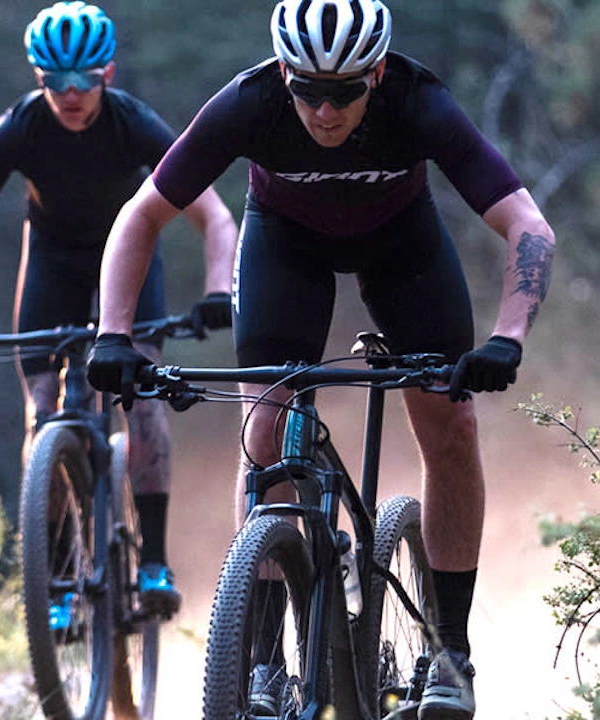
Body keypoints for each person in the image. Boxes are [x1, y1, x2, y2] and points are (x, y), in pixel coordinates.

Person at [86, 0, 556, 717]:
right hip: (286, 247)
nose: (324, 111)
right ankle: (265, 666)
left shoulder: (418, 100)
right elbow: (141, 215)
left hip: (403, 248)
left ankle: (451, 652)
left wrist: (506, 339)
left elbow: (526, 223)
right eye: (306, 90)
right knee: (266, 431)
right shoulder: (248, 104)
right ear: (283, 73)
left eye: (343, 93)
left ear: (376, 73)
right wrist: (112, 335)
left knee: (451, 426)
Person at [0, 1, 239, 619]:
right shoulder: (21, 128)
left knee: (143, 403)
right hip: (53, 266)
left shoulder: (133, 124)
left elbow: (214, 215)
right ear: (38, 78)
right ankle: (58, 574)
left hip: (131, 266)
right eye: (55, 80)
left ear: (107, 73)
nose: (71, 93)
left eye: (84, 78)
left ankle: (155, 560)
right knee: (43, 413)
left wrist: (219, 291)